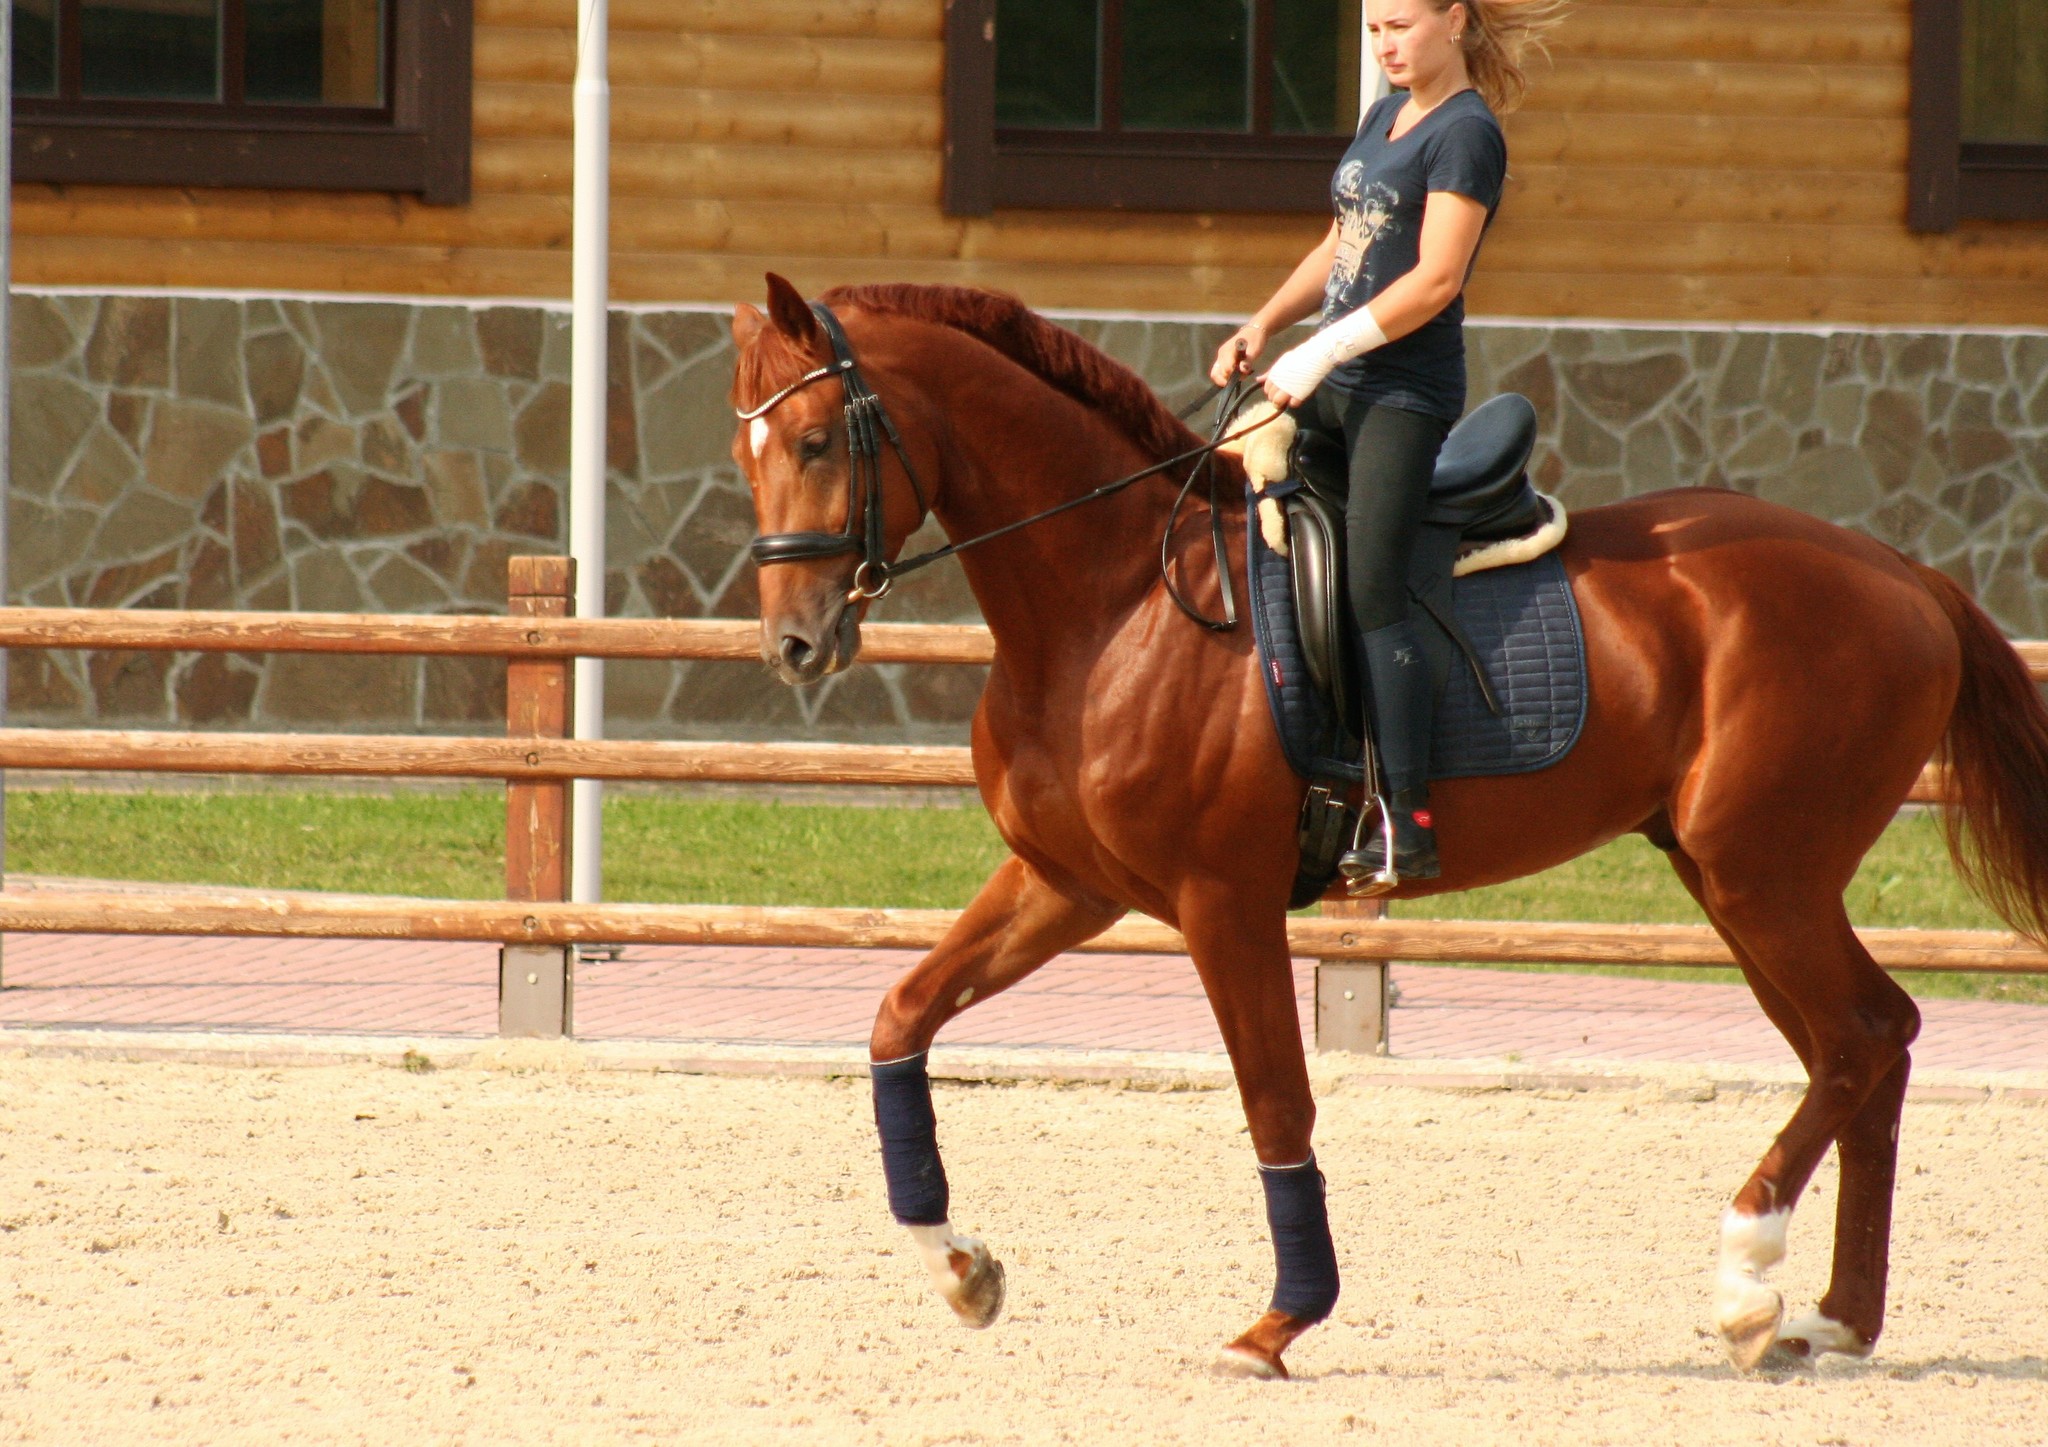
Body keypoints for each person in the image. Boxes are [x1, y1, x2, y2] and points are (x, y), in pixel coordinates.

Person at [1210, 0, 1563, 889]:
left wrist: (1319, 351)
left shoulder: (1466, 134)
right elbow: (1344, 240)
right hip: (1336, 380)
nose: (1386, 45)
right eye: (1374, 31)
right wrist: (1266, 320)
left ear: (1455, 20)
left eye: (1402, 26)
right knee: (1229, 494)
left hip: (1403, 394)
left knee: (1373, 581)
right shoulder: (1385, 114)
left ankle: (1407, 816)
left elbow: (1434, 279)